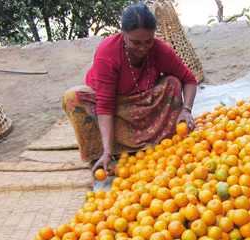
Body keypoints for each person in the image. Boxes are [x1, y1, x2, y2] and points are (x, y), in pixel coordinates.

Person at [63, 3, 198, 172]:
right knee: (73, 97)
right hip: (111, 105)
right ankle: (108, 149)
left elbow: (189, 79)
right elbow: (105, 105)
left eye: (148, 41)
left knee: (173, 83)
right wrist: (107, 152)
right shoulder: (108, 53)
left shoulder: (158, 50)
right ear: (122, 32)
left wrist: (186, 109)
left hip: (142, 102)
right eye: (135, 42)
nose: (142, 48)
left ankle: (149, 141)